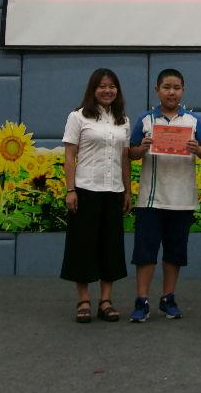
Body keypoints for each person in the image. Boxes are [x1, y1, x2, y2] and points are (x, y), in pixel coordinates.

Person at [127, 69, 201, 322]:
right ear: (157, 90)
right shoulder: (145, 119)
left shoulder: (193, 121)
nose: (171, 92)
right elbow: (131, 152)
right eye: (166, 87)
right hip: (151, 199)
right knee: (145, 253)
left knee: (174, 253)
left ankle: (168, 298)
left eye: (176, 88)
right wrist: (141, 149)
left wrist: (198, 149)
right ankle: (141, 300)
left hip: (182, 200)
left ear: (183, 90)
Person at [60, 68, 132, 323]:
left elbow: (124, 158)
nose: (107, 90)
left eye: (112, 86)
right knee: (83, 246)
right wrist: (70, 190)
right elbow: (70, 156)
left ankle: (105, 301)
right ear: (93, 89)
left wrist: (128, 190)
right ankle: (83, 300)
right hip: (85, 190)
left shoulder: (123, 120)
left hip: (114, 191)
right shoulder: (78, 117)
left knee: (110, 247)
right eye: (102, 86)